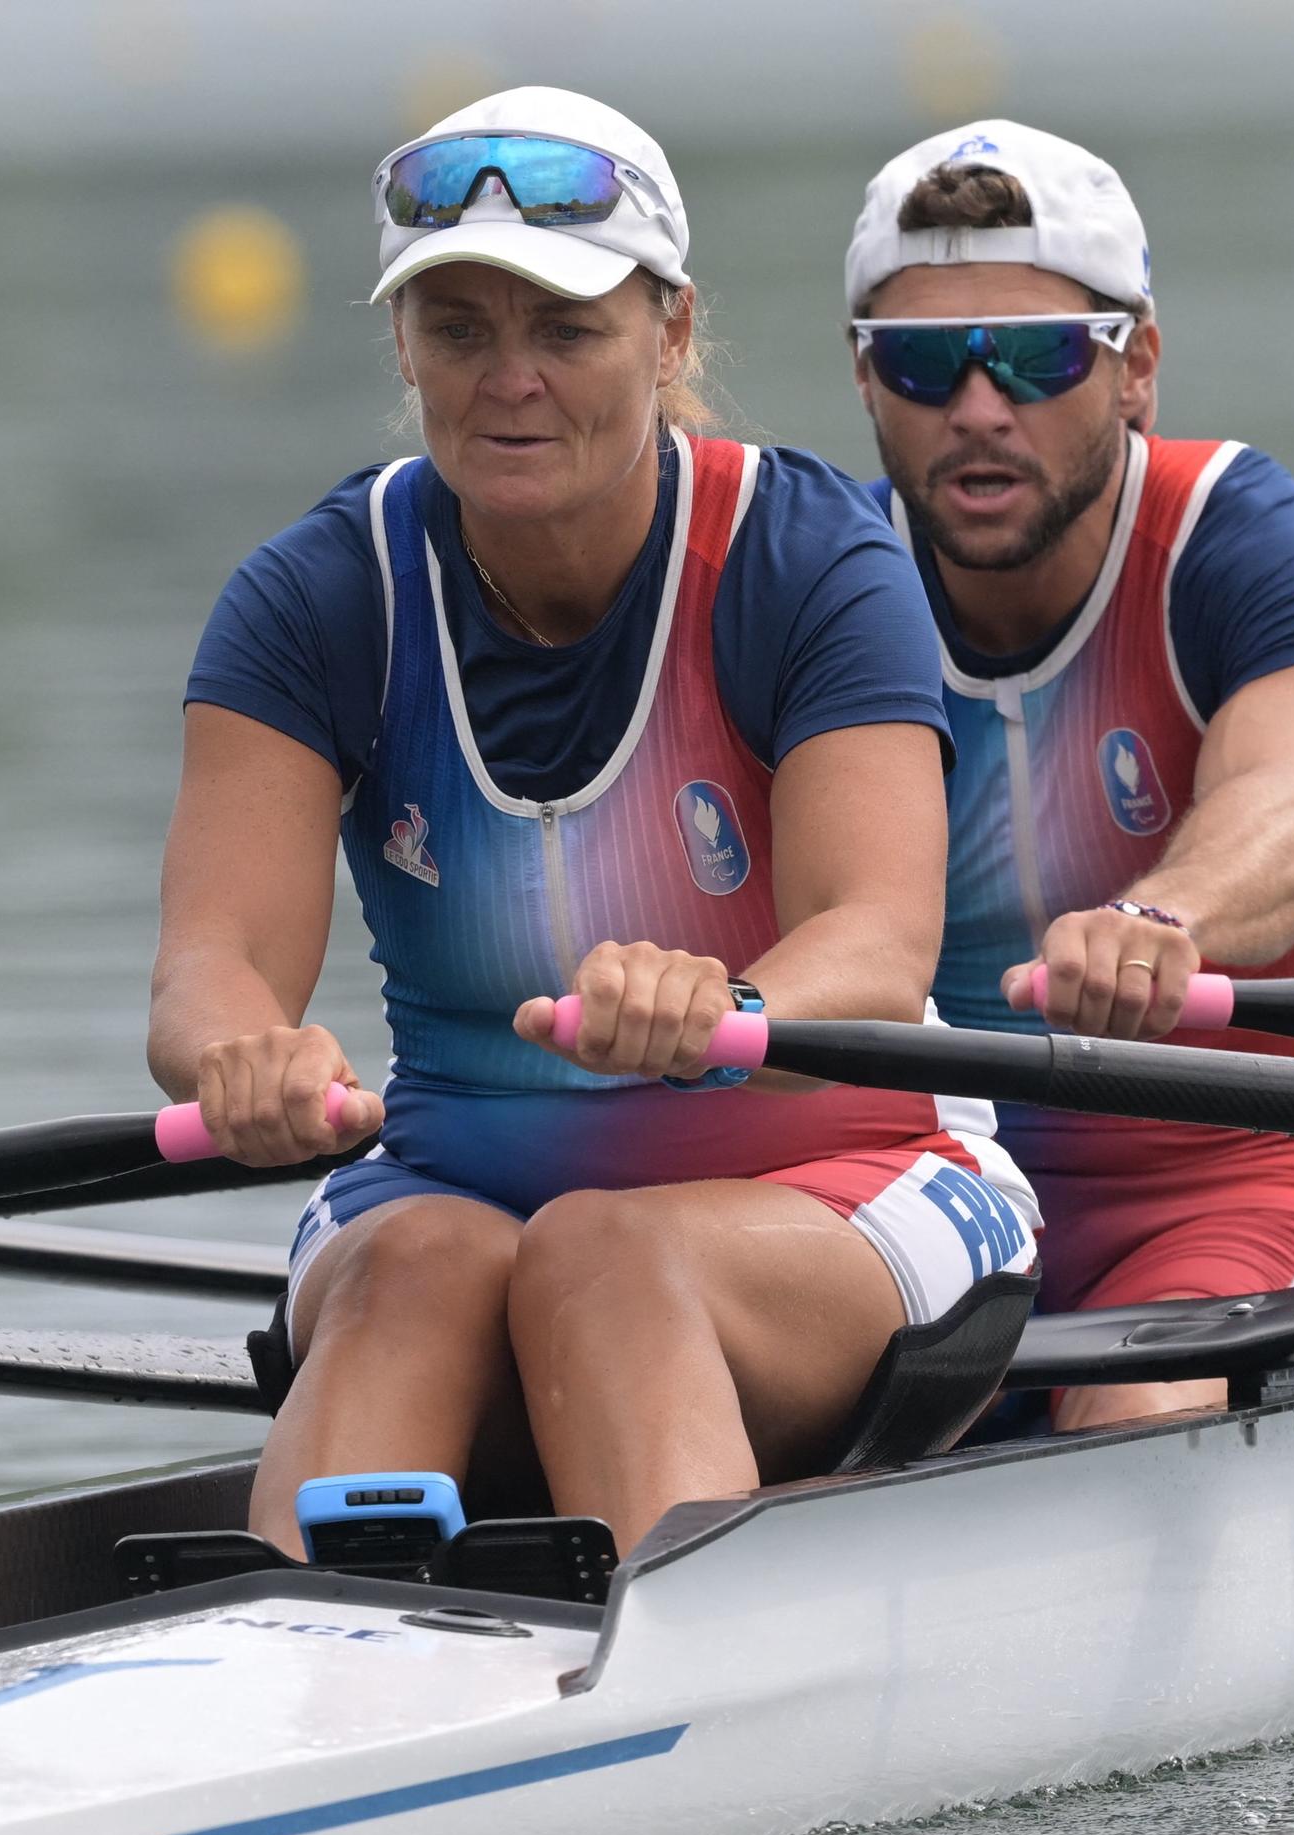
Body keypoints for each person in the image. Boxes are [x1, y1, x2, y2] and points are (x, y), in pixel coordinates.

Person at [152, 88, 1038, 1558]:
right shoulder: (319, 597)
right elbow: (207, 970)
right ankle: (300, 1660)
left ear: (671, 333)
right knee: (420, 1262)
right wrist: (241, 1053)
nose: (511, 381)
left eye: (567, 331)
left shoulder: (809, 563)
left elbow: (879, 942)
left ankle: (683, 1710)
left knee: (604, 1257)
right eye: (460, 333)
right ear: (402, 347)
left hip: (855, 1188)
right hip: (455, 1192)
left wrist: (737, 1005)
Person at [844, 121, 1294, 1432]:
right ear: (866, 381)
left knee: (1132, 1414)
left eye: (1034, 356)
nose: (980, 409)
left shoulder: (1236, 543)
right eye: (925, 365)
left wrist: (1168, 923)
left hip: (1227, 1192)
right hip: (914, 1209)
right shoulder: (823, 586)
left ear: (1137, 364)